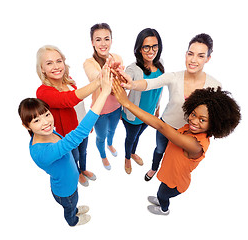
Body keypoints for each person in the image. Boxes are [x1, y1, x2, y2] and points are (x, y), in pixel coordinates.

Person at [112, 79, 241, 215]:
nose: (194, 121)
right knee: (162, 189)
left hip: (176, 182)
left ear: (215, 123)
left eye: (202, 120)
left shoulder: (195, 144)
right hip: (170, 173)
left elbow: (160, 126)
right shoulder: (189, 129)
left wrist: (126, 103)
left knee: (162, 193)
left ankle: (164, 208)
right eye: (193, 114)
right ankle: (161, 198)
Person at [18, 65, 112, 226]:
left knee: (74, 200)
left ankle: (74, 208)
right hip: (65, 192)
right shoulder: (42, 152)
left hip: (70, 184)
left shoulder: (47, 133)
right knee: (70, 205)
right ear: (27, 126)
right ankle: (73, 220)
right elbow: (78, 134)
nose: (46, 122)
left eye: (47, 114)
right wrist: (103, 93)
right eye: (36, 120)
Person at [119, 33, 222, 181]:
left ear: (208, 58)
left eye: (200, 56)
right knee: (160, 149)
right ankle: (154, 168)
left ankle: (166, 179)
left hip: (189, 134)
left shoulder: (214, 85)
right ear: (186, 54)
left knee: (175, 158)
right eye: (190, 54)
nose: (193, 60)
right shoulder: (174, 77)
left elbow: (215, 116)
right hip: (166, 125)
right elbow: (150, 83)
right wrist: (133, 84)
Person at [36, 45, 98, 187]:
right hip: (67, 135)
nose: (56, 66)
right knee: (74, 156)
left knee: (84, 152)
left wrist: (88, 125)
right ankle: (78, 173)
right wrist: (97, 83)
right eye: (49, 63)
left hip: (82, 128)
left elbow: (79, 106)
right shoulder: (43, 92)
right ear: (42, 69)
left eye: (59, 61)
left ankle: (83, 169)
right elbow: (68, 100)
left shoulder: (69, 80)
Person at [122, 28, 164, 174]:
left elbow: (159, 89)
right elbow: (127, 77)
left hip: (149, 114)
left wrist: (157, 108)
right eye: (146, 46)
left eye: (155, 46)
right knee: (131, 138)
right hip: (133, 116)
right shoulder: (133, 69)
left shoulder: (160, 63)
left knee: (138, 136)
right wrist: (122, 78)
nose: (151, 50)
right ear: (139, 49)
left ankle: (133, 153)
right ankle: (127, 157)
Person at [83, 23, 123, 170]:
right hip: (99, 112)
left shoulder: (117, 57)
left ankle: (110, 144)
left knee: (112, 131)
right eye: (98, 40)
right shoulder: (89, 63)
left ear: (111, 40)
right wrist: (107, 70)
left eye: (106, 39)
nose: (103, 43)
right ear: (92, 42)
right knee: (101, 137)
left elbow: (120, 84)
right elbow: (95, 77)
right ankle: (103, 155)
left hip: (116, 108)